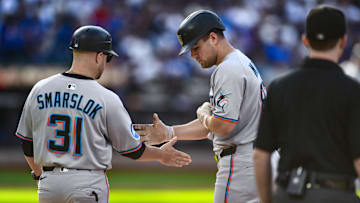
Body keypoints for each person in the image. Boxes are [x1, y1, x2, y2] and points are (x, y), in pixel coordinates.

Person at [15, 25, 191, 203]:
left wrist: (40, 176)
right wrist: (161, 155)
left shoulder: (40, 89)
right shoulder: (106, 97)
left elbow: (27, 143)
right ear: (99, 56)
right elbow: (132, 149)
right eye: (107, 58)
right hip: (87, 182)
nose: (106, 63)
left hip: (49, 185)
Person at [135, 10, 266, 203]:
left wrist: (203, 114)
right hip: (255, 159)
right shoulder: (240, 61)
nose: (193, 55)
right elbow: (215, 125)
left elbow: (222, 125)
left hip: (241, 165)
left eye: (195, 47)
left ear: (213, 37)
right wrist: (169, 132)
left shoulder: (228, 69)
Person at [253, 6, 360, 203]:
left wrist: (268, 200)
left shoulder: (278, 87)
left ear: (305, 40)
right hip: (336, 195)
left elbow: (260, 155)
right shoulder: (353, 91)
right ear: (343, 42)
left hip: (289, 194)